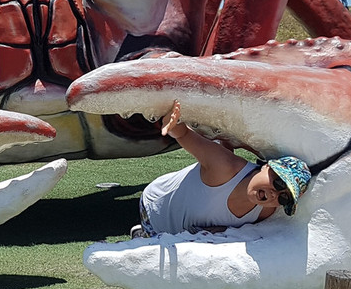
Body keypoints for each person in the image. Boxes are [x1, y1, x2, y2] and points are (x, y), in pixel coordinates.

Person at [133, 101, 312, 238]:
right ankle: (142, 233)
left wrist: (223, 230)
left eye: (283, 198)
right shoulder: (225, 167)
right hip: (155, 210)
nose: (274, 194)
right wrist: (172, 124)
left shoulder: (266, 211)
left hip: (187, 231)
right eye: (279, 182)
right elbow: (184, 133)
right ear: (266, 166)